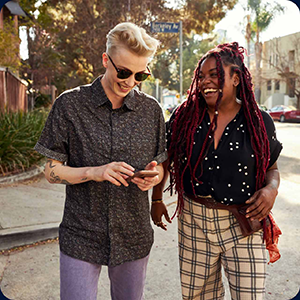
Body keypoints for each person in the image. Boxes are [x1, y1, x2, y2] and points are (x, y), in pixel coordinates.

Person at [34, 22, 168, 300]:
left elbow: (161, 164)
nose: (130, 81)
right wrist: (95, 172)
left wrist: (153, 178)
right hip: (80, 235)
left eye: (141, 75)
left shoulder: (151, 111)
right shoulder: (69, 105)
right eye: (123, 72)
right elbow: (50, 171)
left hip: (134, 236)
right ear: (106, 60)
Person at [151, 42, 282, 299]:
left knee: (249, 296)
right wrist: (156, 198)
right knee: (197, 296)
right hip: (194, 221)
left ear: (235, 79)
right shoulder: (184, 117)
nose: (205, 82)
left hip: (243, 222)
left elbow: (272, 167)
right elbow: (164, 159)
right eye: (201, 76)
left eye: (214, 75)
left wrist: (271, 189)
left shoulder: (258, 121)